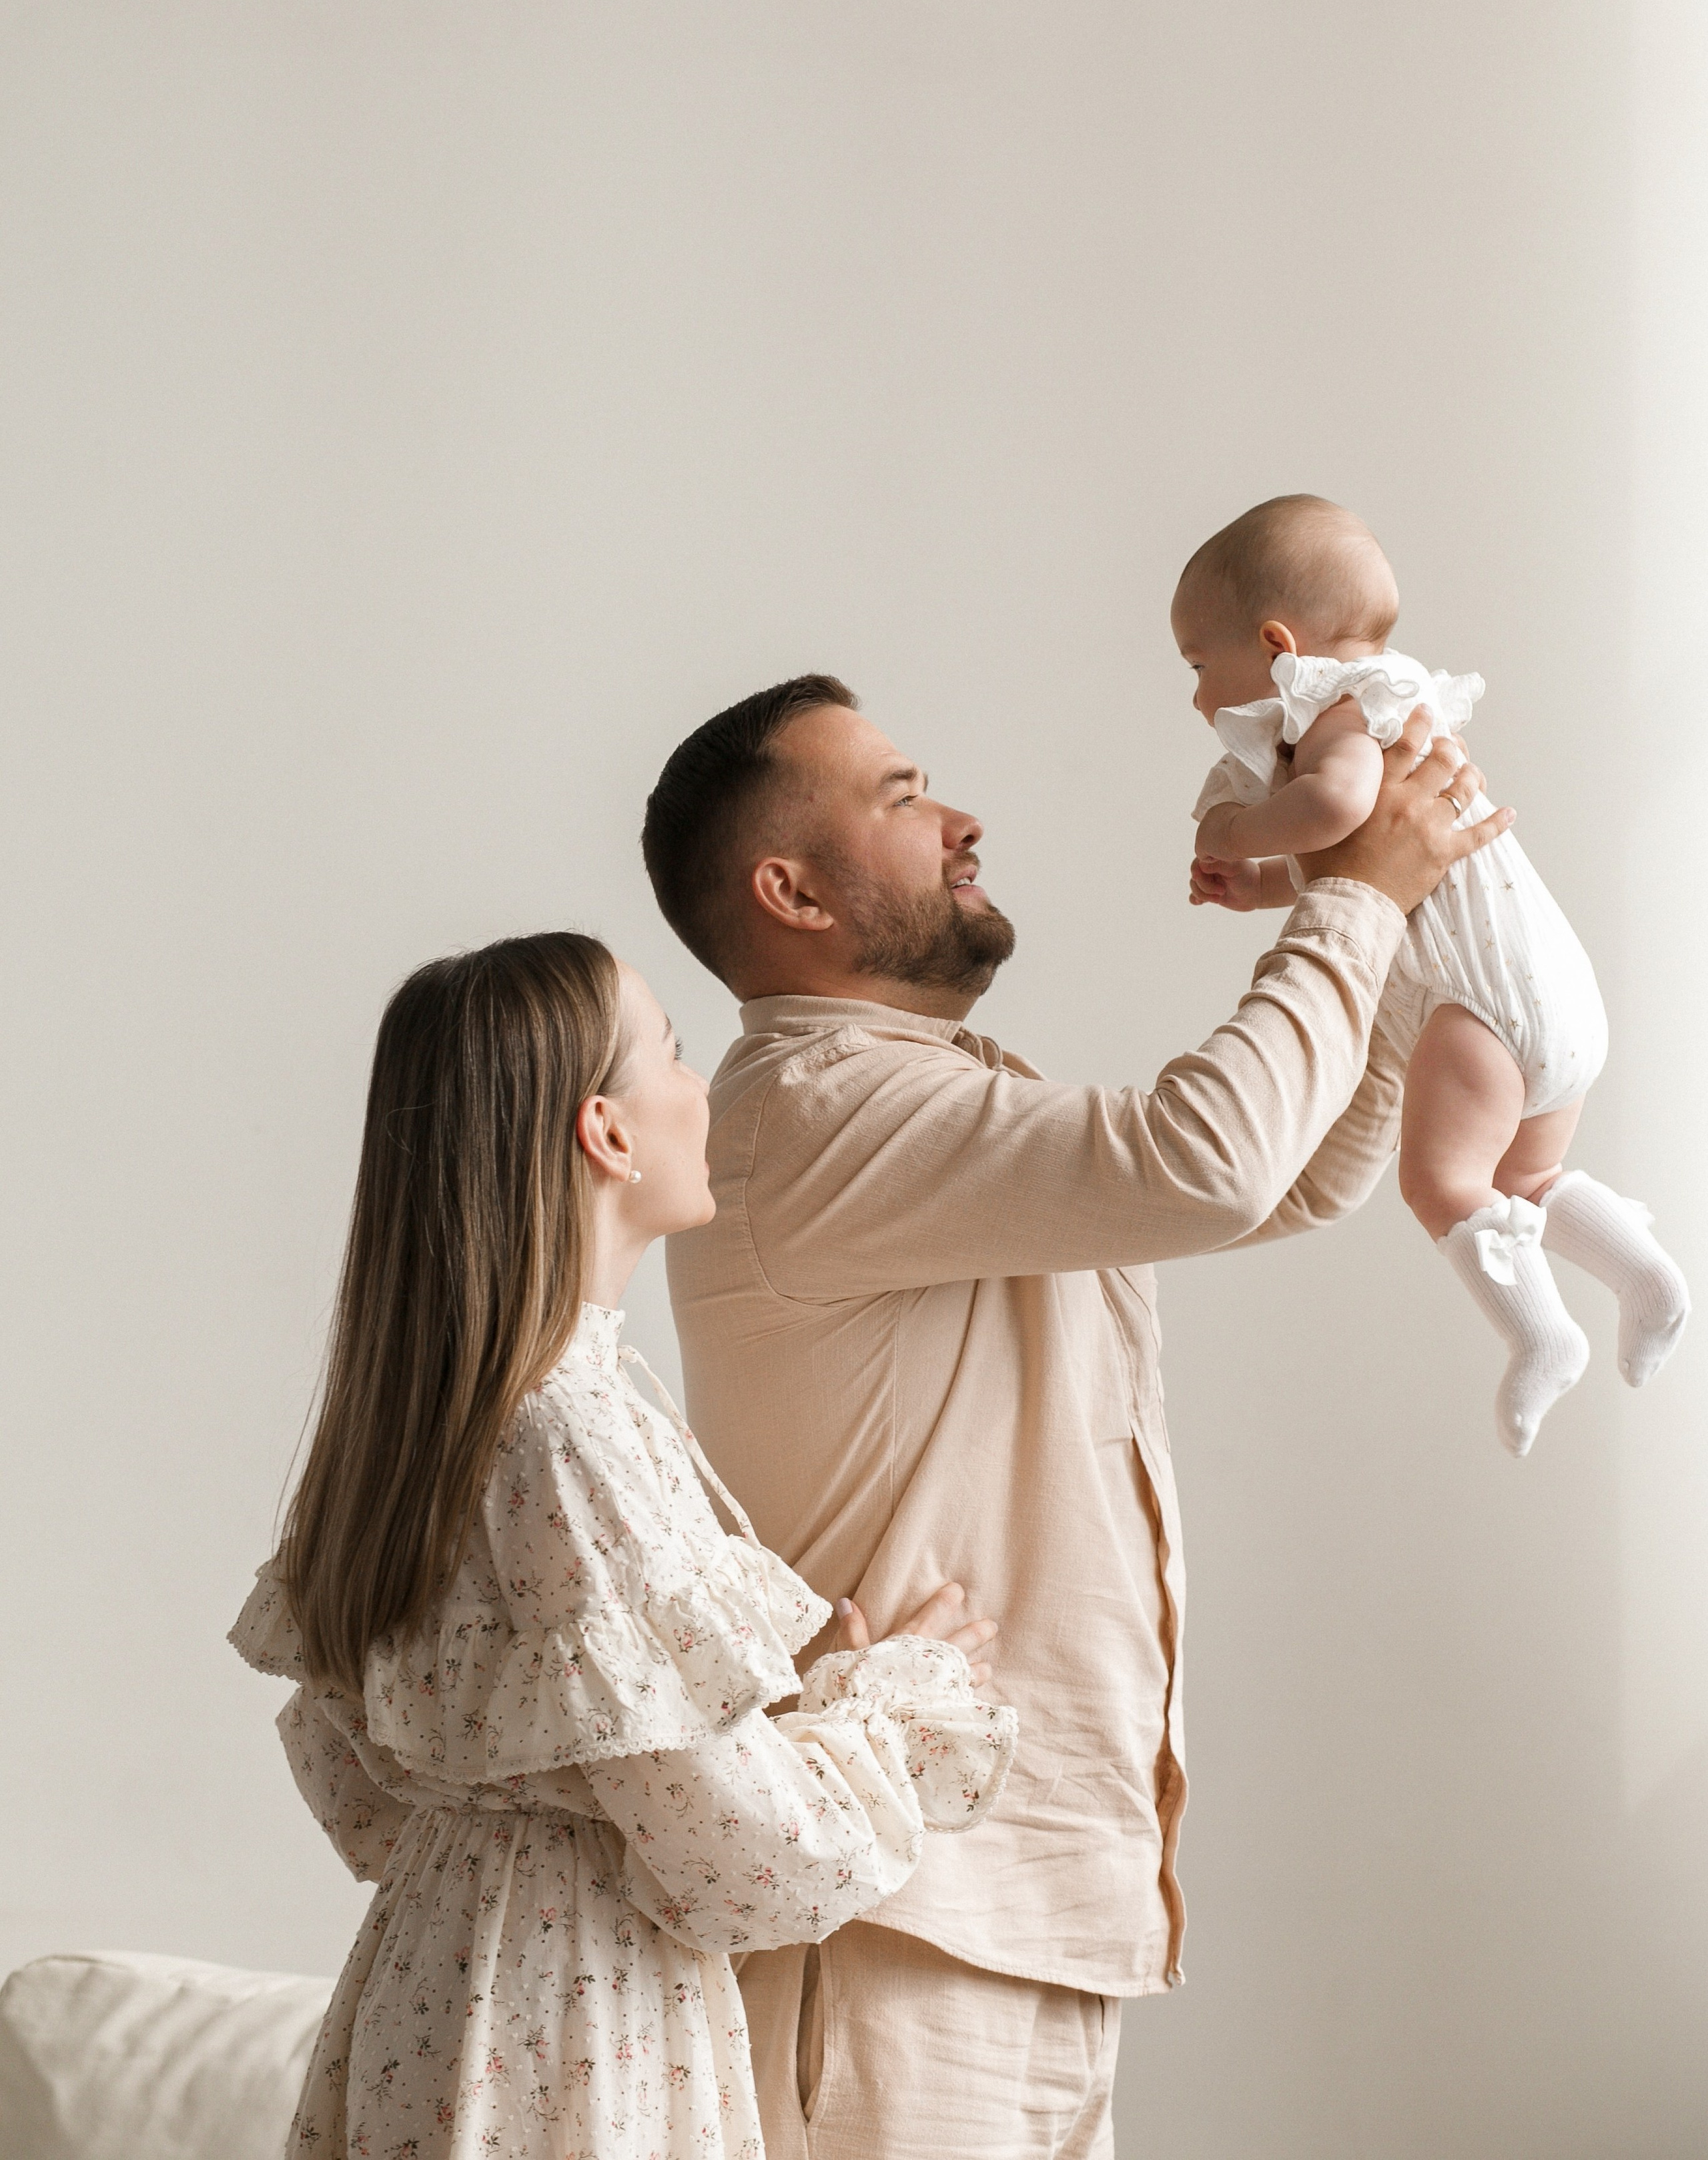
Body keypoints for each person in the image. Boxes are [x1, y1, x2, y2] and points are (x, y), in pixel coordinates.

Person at [641, 670, 1510, 2160]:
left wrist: (1400, 923)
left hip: (1014, 1919)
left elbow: (1284, 1179)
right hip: (897, 1931)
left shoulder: (924, 1099)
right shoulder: (812, 1111)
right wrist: (1350, 903)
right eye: (904, 799)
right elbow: (1210, 1162)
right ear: (787, 889)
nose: (963, 822)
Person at [229, 932, 1015, 2160]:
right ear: (606, 1131)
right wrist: (891, 1708)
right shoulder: (569, 1431)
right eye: (679, 1055)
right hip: (571, 2022)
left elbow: (374, 1802)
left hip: (430, 1995)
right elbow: (753, 1857)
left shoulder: (436, 1417)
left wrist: (751, 1731)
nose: (702, 1090)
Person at [1179, 493, 1688, 1453]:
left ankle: (1542, 1338)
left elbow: (1336, 809)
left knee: (1440, 1182)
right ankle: (1649, 1280)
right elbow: (1368, 854)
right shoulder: (1395, 707)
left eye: (1200, 665)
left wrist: (1238, 827)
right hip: (1546, 980)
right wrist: (1258, 885)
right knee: (1524, 1172)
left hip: (1476, 1001)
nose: (1199, 697)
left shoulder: (1337, 709)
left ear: (1277, 643)